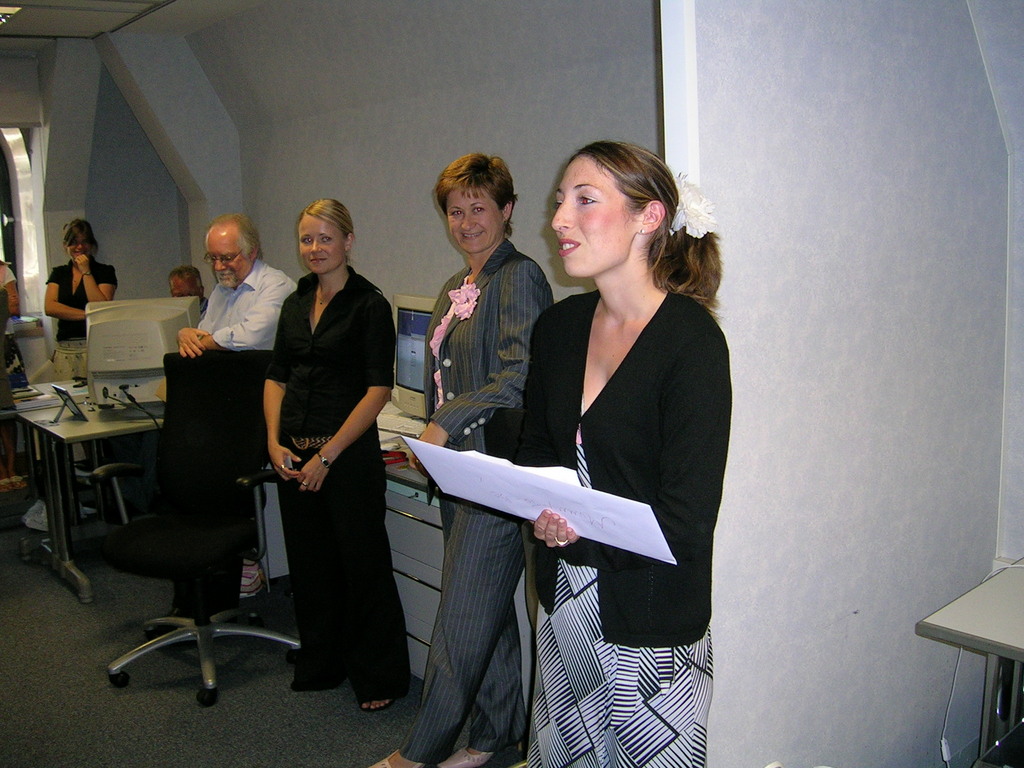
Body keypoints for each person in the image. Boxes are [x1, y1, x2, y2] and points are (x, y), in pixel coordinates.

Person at [518, 141, 732, 768]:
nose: (559, 219)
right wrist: (540, 510)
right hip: (565, 606)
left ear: (649, 217)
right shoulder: (559, 329)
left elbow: (687, 520)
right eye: (561, 201)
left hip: (651, 623)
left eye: (584, 200)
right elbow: (536, 453)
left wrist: (576, 527)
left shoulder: (691, 343)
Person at [373, 154, 552, 768]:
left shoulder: (518, 276)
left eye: (479, 207)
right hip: (459, 471)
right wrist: (434, 439)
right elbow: (445, 373)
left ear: (507, 210)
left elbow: (519, 374)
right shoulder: (457, 285)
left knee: (460, 617)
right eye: (455, 210)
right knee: (487, 613)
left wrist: (442, 424)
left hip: (493, 473)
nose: (467, 221)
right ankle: (494, 735)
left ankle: (418, 753)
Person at [265, 198, 409, 710]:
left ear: (347, 241)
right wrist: (273, 441)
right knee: (312, 567)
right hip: (293, 455)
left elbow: (378, 390)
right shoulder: (296, 301)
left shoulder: (368, 305)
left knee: (362, 567)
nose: (315, 248)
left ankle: (379, 678)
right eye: (307, 239)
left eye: (325, 238)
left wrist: (327, 456)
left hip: (345, 460)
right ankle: (323, 662)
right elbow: (277, 376)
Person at [177, 213, 295, 357]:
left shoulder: (276, 285)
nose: (218, 267)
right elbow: (203, 336)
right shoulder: (220, 291)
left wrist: (203, 341)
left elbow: (250, 337)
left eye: (226, 258)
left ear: (251, 252)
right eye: (212, 258)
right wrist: (187, 335)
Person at [45, 219, 117, 379]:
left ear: (91, 244)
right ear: (66, 245)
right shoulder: (59, 273)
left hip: (93, 344)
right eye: (74, 243)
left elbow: (100, 306)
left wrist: (86, 272)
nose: (79, 247)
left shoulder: (104, 271)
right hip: (65, 347)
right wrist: (88, 315)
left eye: (84, 242)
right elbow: (50, 307)